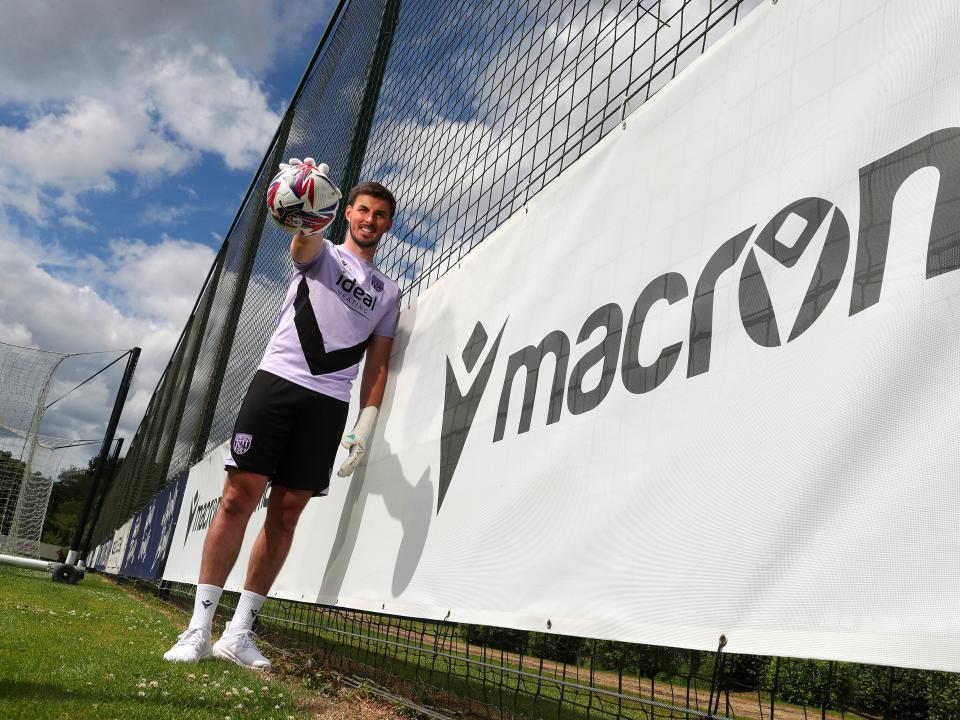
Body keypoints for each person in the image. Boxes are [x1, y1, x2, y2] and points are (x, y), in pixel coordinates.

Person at [164, 160, 401, 670]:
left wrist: (366, 421)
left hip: (329, 403)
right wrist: (304, 217)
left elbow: (378, 361)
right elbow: (302, 247)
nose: (370, 220)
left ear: (387, 224)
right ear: (347, 214)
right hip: (278, 383)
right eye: (363, 210)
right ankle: (198, 629)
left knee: (288, 511)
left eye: (381, 215)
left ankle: (239, 632)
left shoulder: (388, 291)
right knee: (236, 499)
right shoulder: (324, 252)